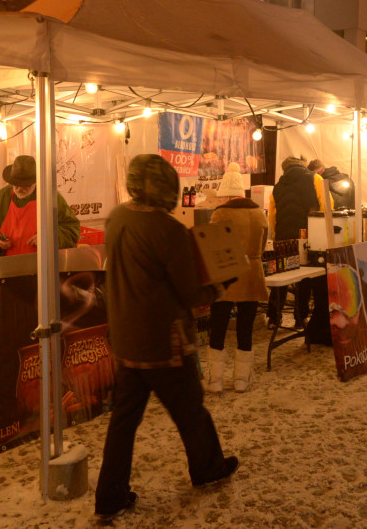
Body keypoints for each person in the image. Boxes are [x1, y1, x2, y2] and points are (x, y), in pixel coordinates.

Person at [95, 154, 239, 521]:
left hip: (127, 341)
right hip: (164, 343)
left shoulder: (117, 218)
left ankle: (109, 496)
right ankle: (208, 468)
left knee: (123, 424)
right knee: (191, 411)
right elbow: (191, 294)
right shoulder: (168, 231)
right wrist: (220, 287)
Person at [206, 163, 268, 393]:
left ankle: (215, 380)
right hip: (252, 272)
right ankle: (242, 379)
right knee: (245, 327)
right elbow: (262, 245)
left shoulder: (221, 213)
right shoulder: (259, 213)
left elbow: (211, 245)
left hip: (226, 274)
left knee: (219, 325)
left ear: (227, 196)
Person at [268, 156, 332, 344]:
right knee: (305, 276)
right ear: (301, 165)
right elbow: (327, 206)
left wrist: (278, 234)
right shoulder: (315, 178)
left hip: (283, 237)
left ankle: (274, 316)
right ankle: (300, 316)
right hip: (307, 234)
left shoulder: (277, 186)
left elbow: (273, 214)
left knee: (282, 274)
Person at [0, 155, 80, 256]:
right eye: (16, 184)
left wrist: (48, 238)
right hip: (5, 266)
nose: (20, 189)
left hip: (41, 267)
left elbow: (72, 230)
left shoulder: (50, 197)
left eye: (26, 185)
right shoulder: (1, 197)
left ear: (35, 181)